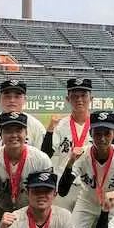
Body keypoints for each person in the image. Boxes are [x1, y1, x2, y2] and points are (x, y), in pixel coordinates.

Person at [42, 77, 94, 212]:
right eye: (74, 96)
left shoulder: (99, 126)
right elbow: (46, 154)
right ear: (67, 99)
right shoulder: (60, 125)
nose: (79, 100)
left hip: (89, 184)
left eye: (83, 95)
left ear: (91, 98)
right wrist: (50, 129)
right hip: (63, 184)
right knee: (61, 226)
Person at [0, 80, 48, 154]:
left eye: (17, 97)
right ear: (0, 99)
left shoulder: (36, 126)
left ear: (25, 100)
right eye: (7, 96)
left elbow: (43, 157)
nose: (12, 100)